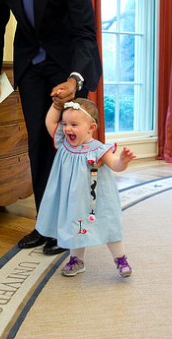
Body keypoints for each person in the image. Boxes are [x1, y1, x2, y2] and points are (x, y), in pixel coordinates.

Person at [0, 0, 102, 255]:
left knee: (69, 144)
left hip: (69, 64)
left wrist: (75, 79)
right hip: (31, 66)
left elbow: (84, 32)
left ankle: (71, 227)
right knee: (39, 141)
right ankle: (46, 224)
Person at [35, 97, 136, 278]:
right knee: (76, 226)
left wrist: (123, 161)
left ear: (91, 128)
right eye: (65, 123)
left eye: (74, 124)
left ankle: (121, 259)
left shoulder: (98, 149)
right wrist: (56, 106)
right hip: (73, 199)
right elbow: (50, 122)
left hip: (95, 200)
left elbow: (115, 165)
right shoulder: (64, 144)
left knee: (108, 226)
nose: (67, 129)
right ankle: (77, 260)